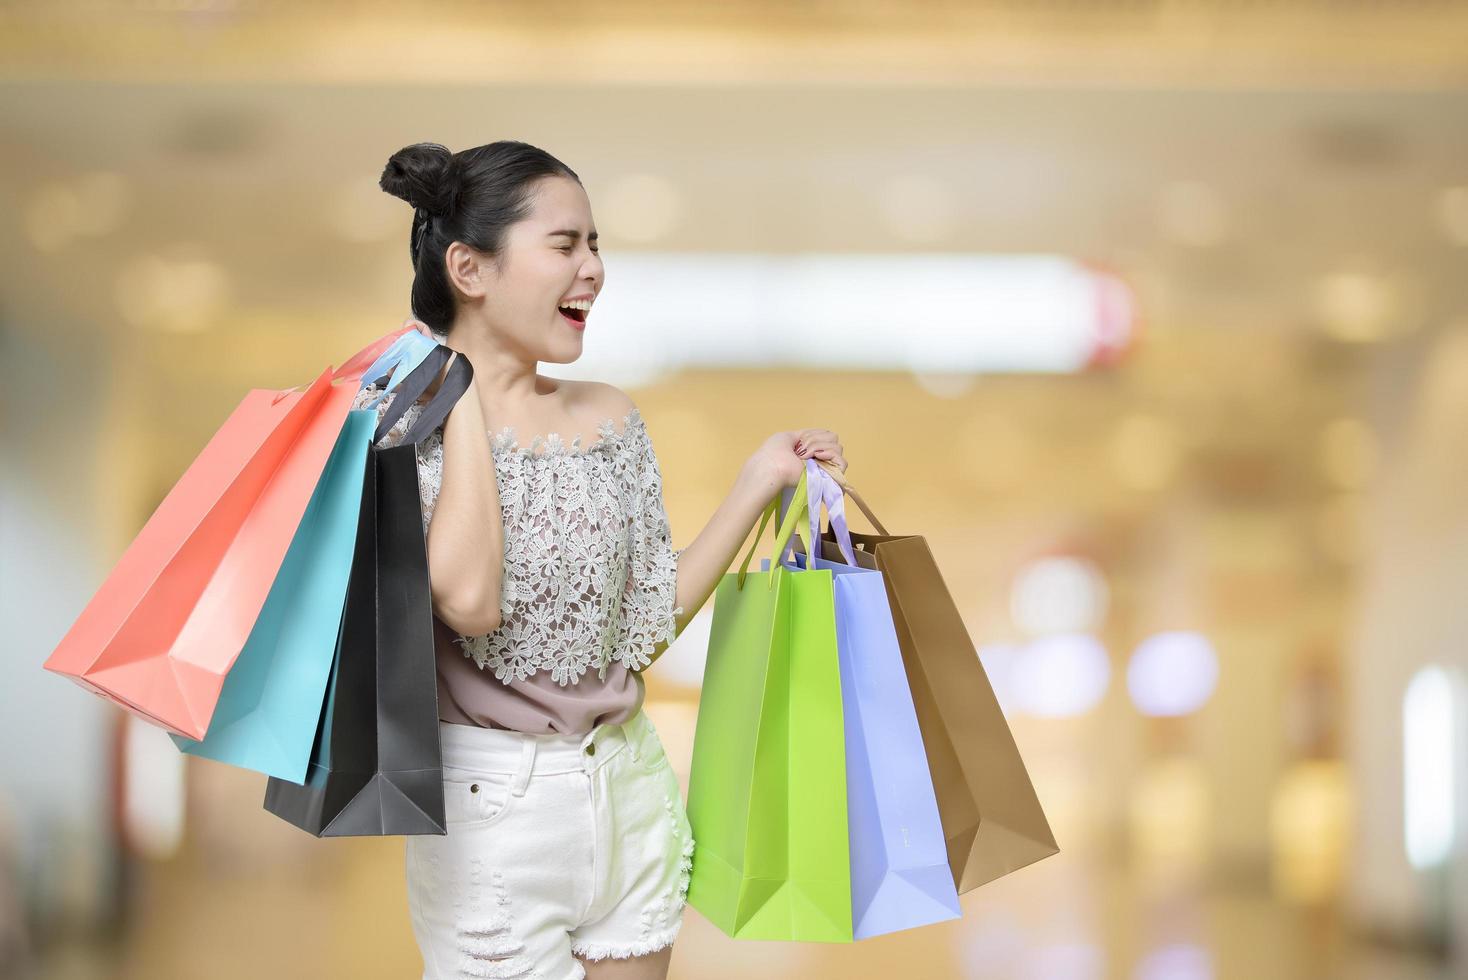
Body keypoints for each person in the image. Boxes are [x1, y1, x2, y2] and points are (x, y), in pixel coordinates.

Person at [359, 140, 847, 980]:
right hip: (493, 821)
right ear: (469, 269)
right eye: (566, 245)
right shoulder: (401, 427)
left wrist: (759, 481)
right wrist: (462, 390)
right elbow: (470, 602)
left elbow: (646, 622)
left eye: (596, 246)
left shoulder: (610, 415)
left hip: (631, 788)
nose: (593, 269)